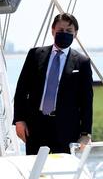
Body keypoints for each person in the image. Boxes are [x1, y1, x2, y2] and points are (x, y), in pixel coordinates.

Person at [13, 13, 93, 155]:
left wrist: (86, 133)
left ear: (75, 34)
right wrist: (19, 120)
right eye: (60, 30)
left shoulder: (82, 62)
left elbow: (86, 100)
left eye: (69, 31)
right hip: (36, 127)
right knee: (36, 172)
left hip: (66, 128)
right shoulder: (35, 55)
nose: (64, 33)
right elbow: (21, 90)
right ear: (52, 30)